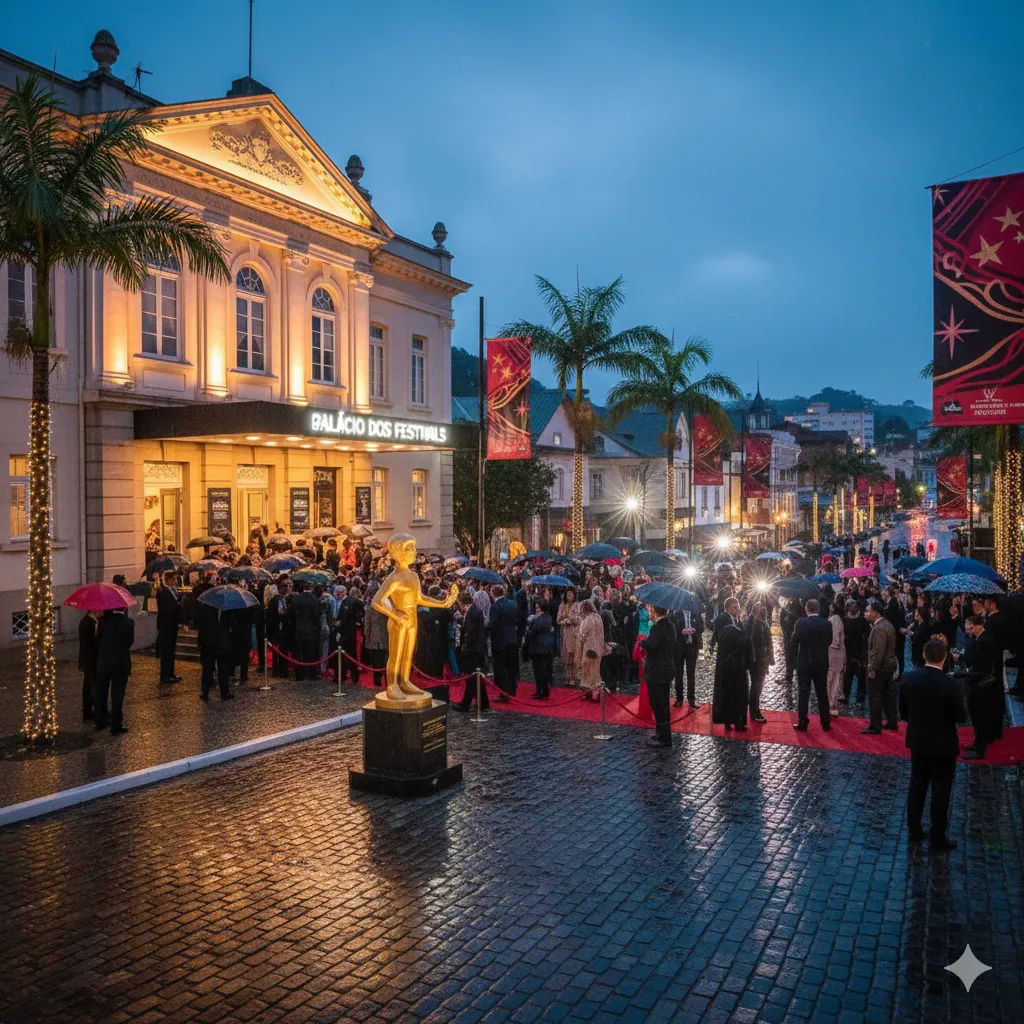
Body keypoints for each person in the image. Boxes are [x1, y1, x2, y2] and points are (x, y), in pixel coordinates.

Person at [899, 638, 967, 850]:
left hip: (918, 740)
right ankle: (937, 836)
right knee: (941, 790)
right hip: (943, 743)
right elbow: (961, 715)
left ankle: (914, 830)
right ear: (944, 658)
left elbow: (903, 712)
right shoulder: (950, 684)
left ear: (924, 655)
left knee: (917, 785)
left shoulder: (909, 678)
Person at [958, 613, 1004, 760]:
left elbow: (979, 662)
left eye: (970, 627)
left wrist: (962, 657)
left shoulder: (984, 641)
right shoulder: (977, 638)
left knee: (980, 717)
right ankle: (978, 743)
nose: (968, 630)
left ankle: (980, 749)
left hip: (981, 684)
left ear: (978, 626)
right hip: (977, 682)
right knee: (976, 716)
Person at [791, 599, 832, 732]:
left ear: (807, 609)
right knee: (822, 692)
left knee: (803, 693)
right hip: (821, 663)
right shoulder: (826, 624)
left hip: (805, 662)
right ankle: (825, 721)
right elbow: (829, 641)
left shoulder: (801, 623)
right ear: (818, 609)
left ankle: (802, 721)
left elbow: (794, 641)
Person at [94, 607, 135, 733]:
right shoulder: (128, 622)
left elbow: (98, 639)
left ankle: (100, 721)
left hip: (104, 661)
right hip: (120, 662)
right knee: (117, 694)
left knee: (101, 691)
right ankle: (116, 724)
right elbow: (129, 642)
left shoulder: (103, 621)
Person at [712, 598, 750, 730]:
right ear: (727, 608)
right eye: (734, 608)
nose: (737, 609)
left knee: (735, 693)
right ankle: (728, 720)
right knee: (728, 692)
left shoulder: (737, 619)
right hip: (728, 661)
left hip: (736, 662)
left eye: (738, 607)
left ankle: (735, 719)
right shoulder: (723, 619)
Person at [641, 604, 676, 746]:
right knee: (663, 703)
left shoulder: (658, 627)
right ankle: (661, 732)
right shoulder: (671, 626)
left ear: (655, 611)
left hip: (657, 670)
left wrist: (643, 642)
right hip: (666, 669)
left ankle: (664, 737)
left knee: (658, 704)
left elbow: (652, 645)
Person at [862, 600, 898, 735]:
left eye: (869, 610)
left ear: (876, 613)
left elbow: (877, 652)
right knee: (888, 694)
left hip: (881, 667)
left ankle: (875, 725)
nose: (867, 613)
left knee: (874, 694)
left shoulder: (879, 628)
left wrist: (872, 669)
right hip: (888, 666)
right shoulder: (887, 625)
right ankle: (892, 721)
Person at [454, 590, 489, 711]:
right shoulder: (475, 611)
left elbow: (471, 634)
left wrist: (465, 650)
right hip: (476, 650)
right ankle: (483, 702)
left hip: (473, 651)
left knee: (471, 679)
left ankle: (465, 704)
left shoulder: (472, 613)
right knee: (476, 678)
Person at [196, 601, 234, 702]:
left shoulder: (205, 609)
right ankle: (224, 693)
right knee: (222, 671)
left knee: (208, 670)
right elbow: (232, 624)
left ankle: (205, 693)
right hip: (222, 644)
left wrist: (200, 642)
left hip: (209, 644)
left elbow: (200, 625)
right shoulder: (227, 610)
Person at [489, 584, 520, 701]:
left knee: (500, 669)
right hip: (512, 639)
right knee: (511, 667)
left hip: (500, 642)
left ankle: (504, 693)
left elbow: (493, 625)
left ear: (493, 594)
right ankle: (512, 690)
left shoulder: (495, 607)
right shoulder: (513, 604)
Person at [577, 599, 612, 702]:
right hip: (598, 648)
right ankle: (593, 694)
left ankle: (594, 695)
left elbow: (581, 636)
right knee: (595, 672)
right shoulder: (598, 618)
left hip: (589, 649)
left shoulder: (587, 620)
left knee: (588, 672)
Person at [289, 579, 323, 681]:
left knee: (299, 652)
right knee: (311, 653)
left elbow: (291, 615)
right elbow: (317, 617)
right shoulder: (314, 599)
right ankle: (311, 674)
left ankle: (300, 674)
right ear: (311, 588)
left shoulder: (296, 599)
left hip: (299, 629)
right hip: (311, 630)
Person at [672, 605, 704, 709]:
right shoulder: (676, 613)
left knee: (691, 674)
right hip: (679, 647)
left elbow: (702, 627)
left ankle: (691, 700)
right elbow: (672, 628)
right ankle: (679, 699)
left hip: (692, 646)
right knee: (678, 674)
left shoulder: (696, 612)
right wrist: (682, 631)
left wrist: (694, 630)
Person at [746, 603, 772, 723]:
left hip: (761, 660)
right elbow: (756, 644)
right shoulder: (757, 624)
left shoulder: (762, 623)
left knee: (757, 687)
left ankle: (754, 710)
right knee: (756, 687)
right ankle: (754, 712)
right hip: (758, 661)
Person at [525, 599, 556, 699]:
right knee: (544, 670)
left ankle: (540, 692)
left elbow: (531, 633)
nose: (536, 609)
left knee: (538, 671)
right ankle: (544, 691)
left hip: (538, 648)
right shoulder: (548, 617)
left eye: (537, 607)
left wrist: (527, 631)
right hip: (547, 648)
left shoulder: (538, 620)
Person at [155, 570, 182, 684]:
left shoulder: (173, 591)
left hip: (172, 625)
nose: (176, 581)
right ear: (169, 580)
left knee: (171, 651)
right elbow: (167, 608)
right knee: (167, 651)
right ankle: (165, 675)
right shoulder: (164, 592)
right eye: (174, 579)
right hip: (167, 625)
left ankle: (171, 673)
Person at [841, 599, 870, 703]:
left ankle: (853, 697)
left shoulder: (847, 621)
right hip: (853, 654)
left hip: (854, 654)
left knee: (853, 678)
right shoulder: (861, 621)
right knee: (852, 678)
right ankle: (854, 697)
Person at [362, 584, 390, 689]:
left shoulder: (370, 608)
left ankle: (377, 681)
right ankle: (387, 681)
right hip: (385, 637)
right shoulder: (386, 606)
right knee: (385, 660)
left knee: (376, 662)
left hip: (374, 638)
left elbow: (367, 625)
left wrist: (366, 637)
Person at [338, 585, 364, 685]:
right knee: (348, 655)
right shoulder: (353, 601)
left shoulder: (350, 602)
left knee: (349, 654)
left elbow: (360, 615)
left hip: (349, 632)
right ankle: (351, 675)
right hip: (350, 632)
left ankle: (351, 675)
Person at [77, 610, 99, 721]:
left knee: (88, 685)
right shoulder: (88, 623)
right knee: (92, 685)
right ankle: (92, 711)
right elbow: (91, 643)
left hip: (88, 659)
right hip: (91, 660)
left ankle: (88, 710)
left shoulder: (88, 621)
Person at [557, 588, 581, 685]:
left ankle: (574, 677)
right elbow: (558, 619)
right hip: (566, 632)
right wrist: (564, 621)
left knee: (574, 654)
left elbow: (579, 619)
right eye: (568, 594)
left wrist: (570, 619)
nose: (569, 596)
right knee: (566, 654)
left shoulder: (578, 605)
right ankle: (567, 676)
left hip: (574, 632)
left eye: (571, 594)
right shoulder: (562, 605)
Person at [827, 597, 846, 714]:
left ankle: (831, 703)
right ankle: (831, 702)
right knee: (835, 678)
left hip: (834, 653)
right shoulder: (838, 619)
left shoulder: (834, 620)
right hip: (838, 654)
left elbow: (836, 641)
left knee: (832, 679)